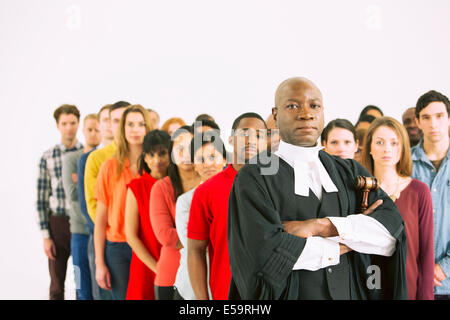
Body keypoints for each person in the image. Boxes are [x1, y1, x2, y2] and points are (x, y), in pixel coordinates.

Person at [227, 77, 408, 300]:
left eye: (314, 106)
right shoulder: (254, 177)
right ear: (275, 115)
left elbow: (390, 235)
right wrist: (354, 240)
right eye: (293, 106)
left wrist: (321, 227)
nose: (306, 114)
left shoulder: (350, 171)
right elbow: (262, 255)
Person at [188, 113, 267, 300]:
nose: (252, 140)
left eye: (259, 135)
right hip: (226, 294)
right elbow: (195, 250)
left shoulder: (282, 185)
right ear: (231, 139)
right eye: (245, 133)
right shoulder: (206, 191)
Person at [361, 117, 434, 300]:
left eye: (394, 143)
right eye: (380, 142)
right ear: (369, 147)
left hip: (409, 287)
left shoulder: (419, 191)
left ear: (402, 149)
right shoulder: (360, 192)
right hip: (369, 285)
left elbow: (426, 252)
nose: (387, 148)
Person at [94, 105, 153, 300]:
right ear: (123, 129)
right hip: (118, 249)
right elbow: (101, 220)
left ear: (148, 128)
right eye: (130, 124)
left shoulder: (157, 167)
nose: (135, 129)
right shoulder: (110, 167)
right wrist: (100, 263)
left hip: (149, 246)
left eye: (141, 124)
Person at [36, 104, 83, 300]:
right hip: (58, 224)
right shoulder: (48, 157)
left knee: (82, 280)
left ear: (78, 123)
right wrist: (46, 235)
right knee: (57, 283)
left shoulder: (87, 154)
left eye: (73, 123)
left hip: (81, 224)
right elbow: (41, 199)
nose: (69, 128)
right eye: (64, 123)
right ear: (57, 125)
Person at [174, 131, 228, 300]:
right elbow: (194, 244)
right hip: (191, 290)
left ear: (225, 160)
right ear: (194, 165)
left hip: (226, 285)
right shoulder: (185, 201)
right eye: (201, 159)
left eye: (213, 157)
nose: (207, 164)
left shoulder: (239, 197)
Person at [150, 126, 201, 300]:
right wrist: (203, 242)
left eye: (191, 147)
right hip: (171, 274)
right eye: (180, 148)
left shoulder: (210, 183)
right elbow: (165, 235)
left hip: (208, 273)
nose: (186, 154)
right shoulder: (161, 187)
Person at [411, 90, 450, 300]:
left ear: (449, 118)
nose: (433, 124)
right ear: (417, 121)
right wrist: (420, 266)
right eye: (426, 117)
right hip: (414, 278)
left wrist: (444, 267)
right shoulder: (404, 163)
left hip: (447, 281)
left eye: (439, 116)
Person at [125, 130, 171, 300]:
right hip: (145, 265)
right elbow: (131, 236)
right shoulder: (136, 187)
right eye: (151, 155)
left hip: (174, 263)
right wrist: (157, 268)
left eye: (162, 154)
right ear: (144, 157)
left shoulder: (178, 183)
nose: (157, 160)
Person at [62, 113, 101, 300]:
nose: (93, 134)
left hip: (99, 230)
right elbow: (72, 192)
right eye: (90, 129)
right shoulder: (72, 159)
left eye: (97, 130)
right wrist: (93, 187)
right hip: (79, 232)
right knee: (82, 288)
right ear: (83, 131)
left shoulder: (103, 159)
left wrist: (84, 184)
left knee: (99, 287)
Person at [77, 105, 114, 300]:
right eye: (105, 120)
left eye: (114, 120)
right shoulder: (88, 159)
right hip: (99, 235)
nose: (109, 125)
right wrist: (106, 230)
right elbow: (86, 205)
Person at [85, 101, 130, 225]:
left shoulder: (146, 155)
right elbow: (93, 203)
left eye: (125, 120)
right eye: (116, 121)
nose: (121, 125)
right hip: (113, 235)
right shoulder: (96, 158)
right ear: (110, 124)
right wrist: (112, 228)